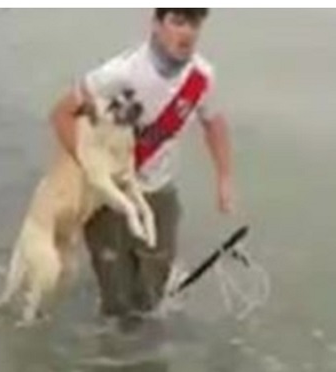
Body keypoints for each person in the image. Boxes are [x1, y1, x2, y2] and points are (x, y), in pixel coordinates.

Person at [50, 8, 234, 330]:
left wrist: (224, 179)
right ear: (156, 24)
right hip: (109, 200)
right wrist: (91, 169)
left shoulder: (202, 77)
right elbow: (61, 114)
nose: (187, 33)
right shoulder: (121, 73)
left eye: (194, 23)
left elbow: (214, 124)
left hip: (160, 192)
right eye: (178, 21)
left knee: (151, 300)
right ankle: (114, 370)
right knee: (117, 307)